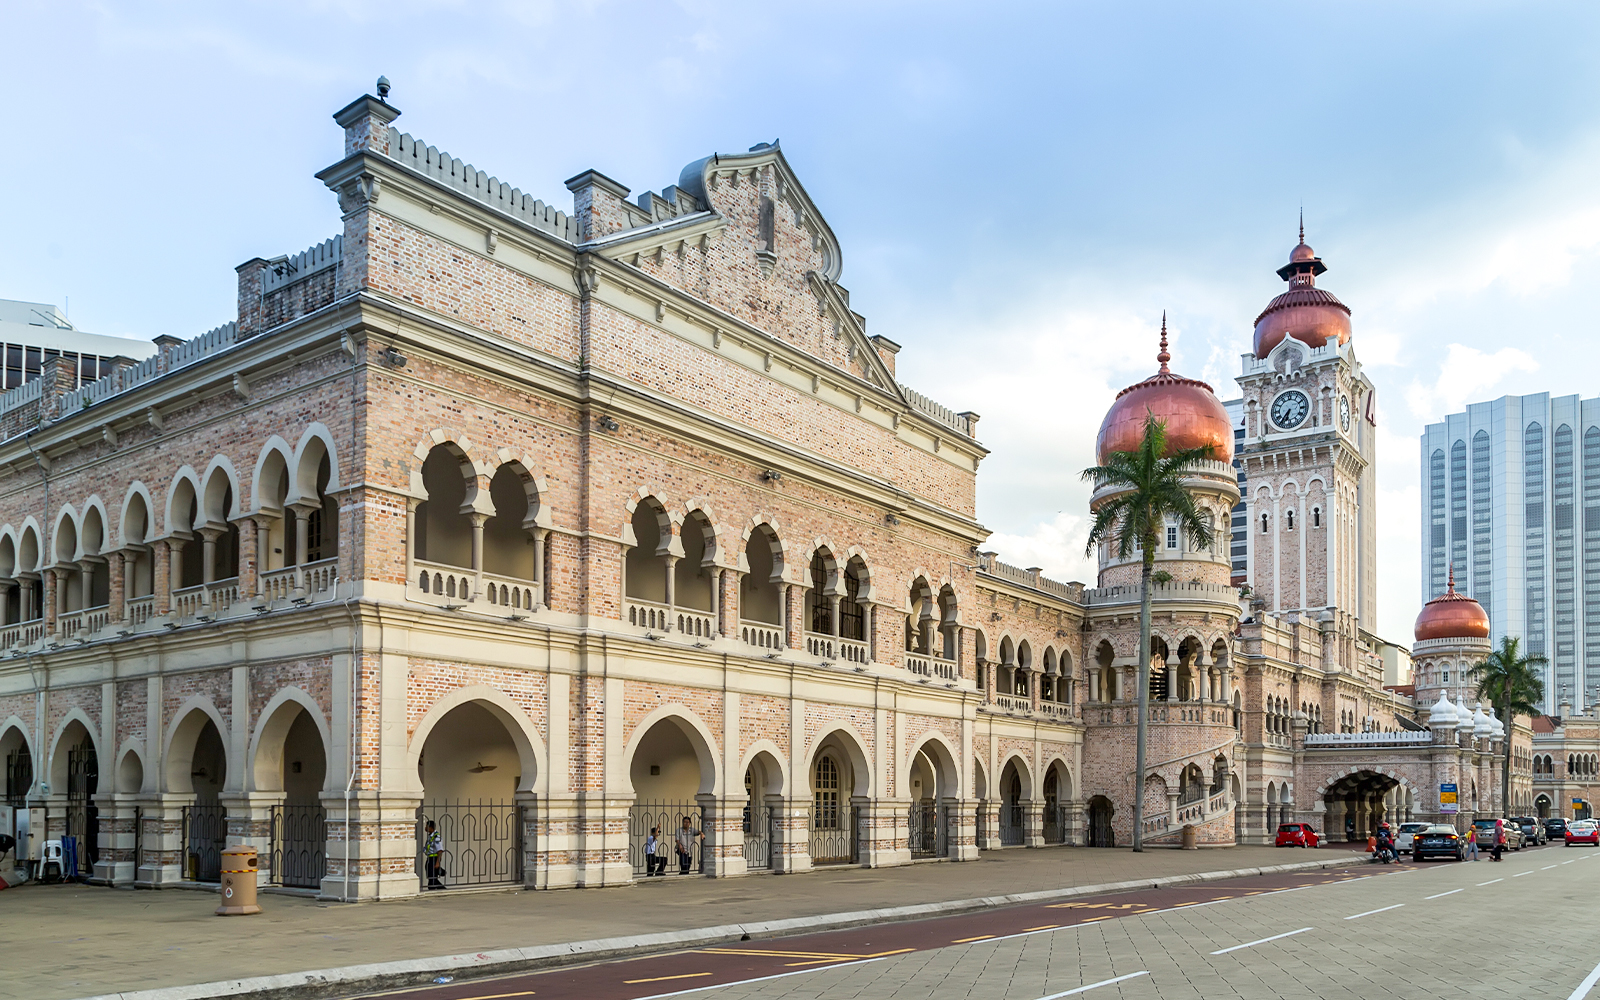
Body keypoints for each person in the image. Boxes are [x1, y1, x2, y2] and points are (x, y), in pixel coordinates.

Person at [423, 820, 445, 889]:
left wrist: (437, 862)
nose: (425, 828)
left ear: (431, 827)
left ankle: (443, 890)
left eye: (427, 826)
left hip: (433, 859)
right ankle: (433, 889)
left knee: (433, 879)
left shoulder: (436, 837)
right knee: (431, 877)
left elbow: (440, 850)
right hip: (430, 859)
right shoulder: (430, 836)